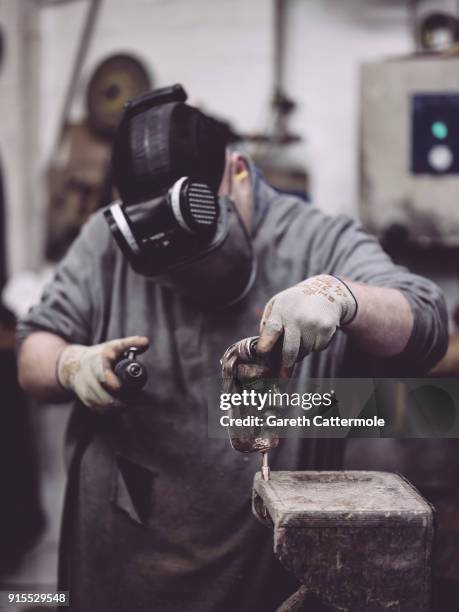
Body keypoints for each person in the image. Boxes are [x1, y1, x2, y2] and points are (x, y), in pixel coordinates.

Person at [17, 86, 447, 612]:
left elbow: (426, 326)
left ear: (238, 173)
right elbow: (32, 351)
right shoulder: (104, 247)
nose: (185, 280)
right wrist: (68, 364)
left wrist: (344, 297)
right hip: (122, 571)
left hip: (262, 578)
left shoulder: (315, 240)